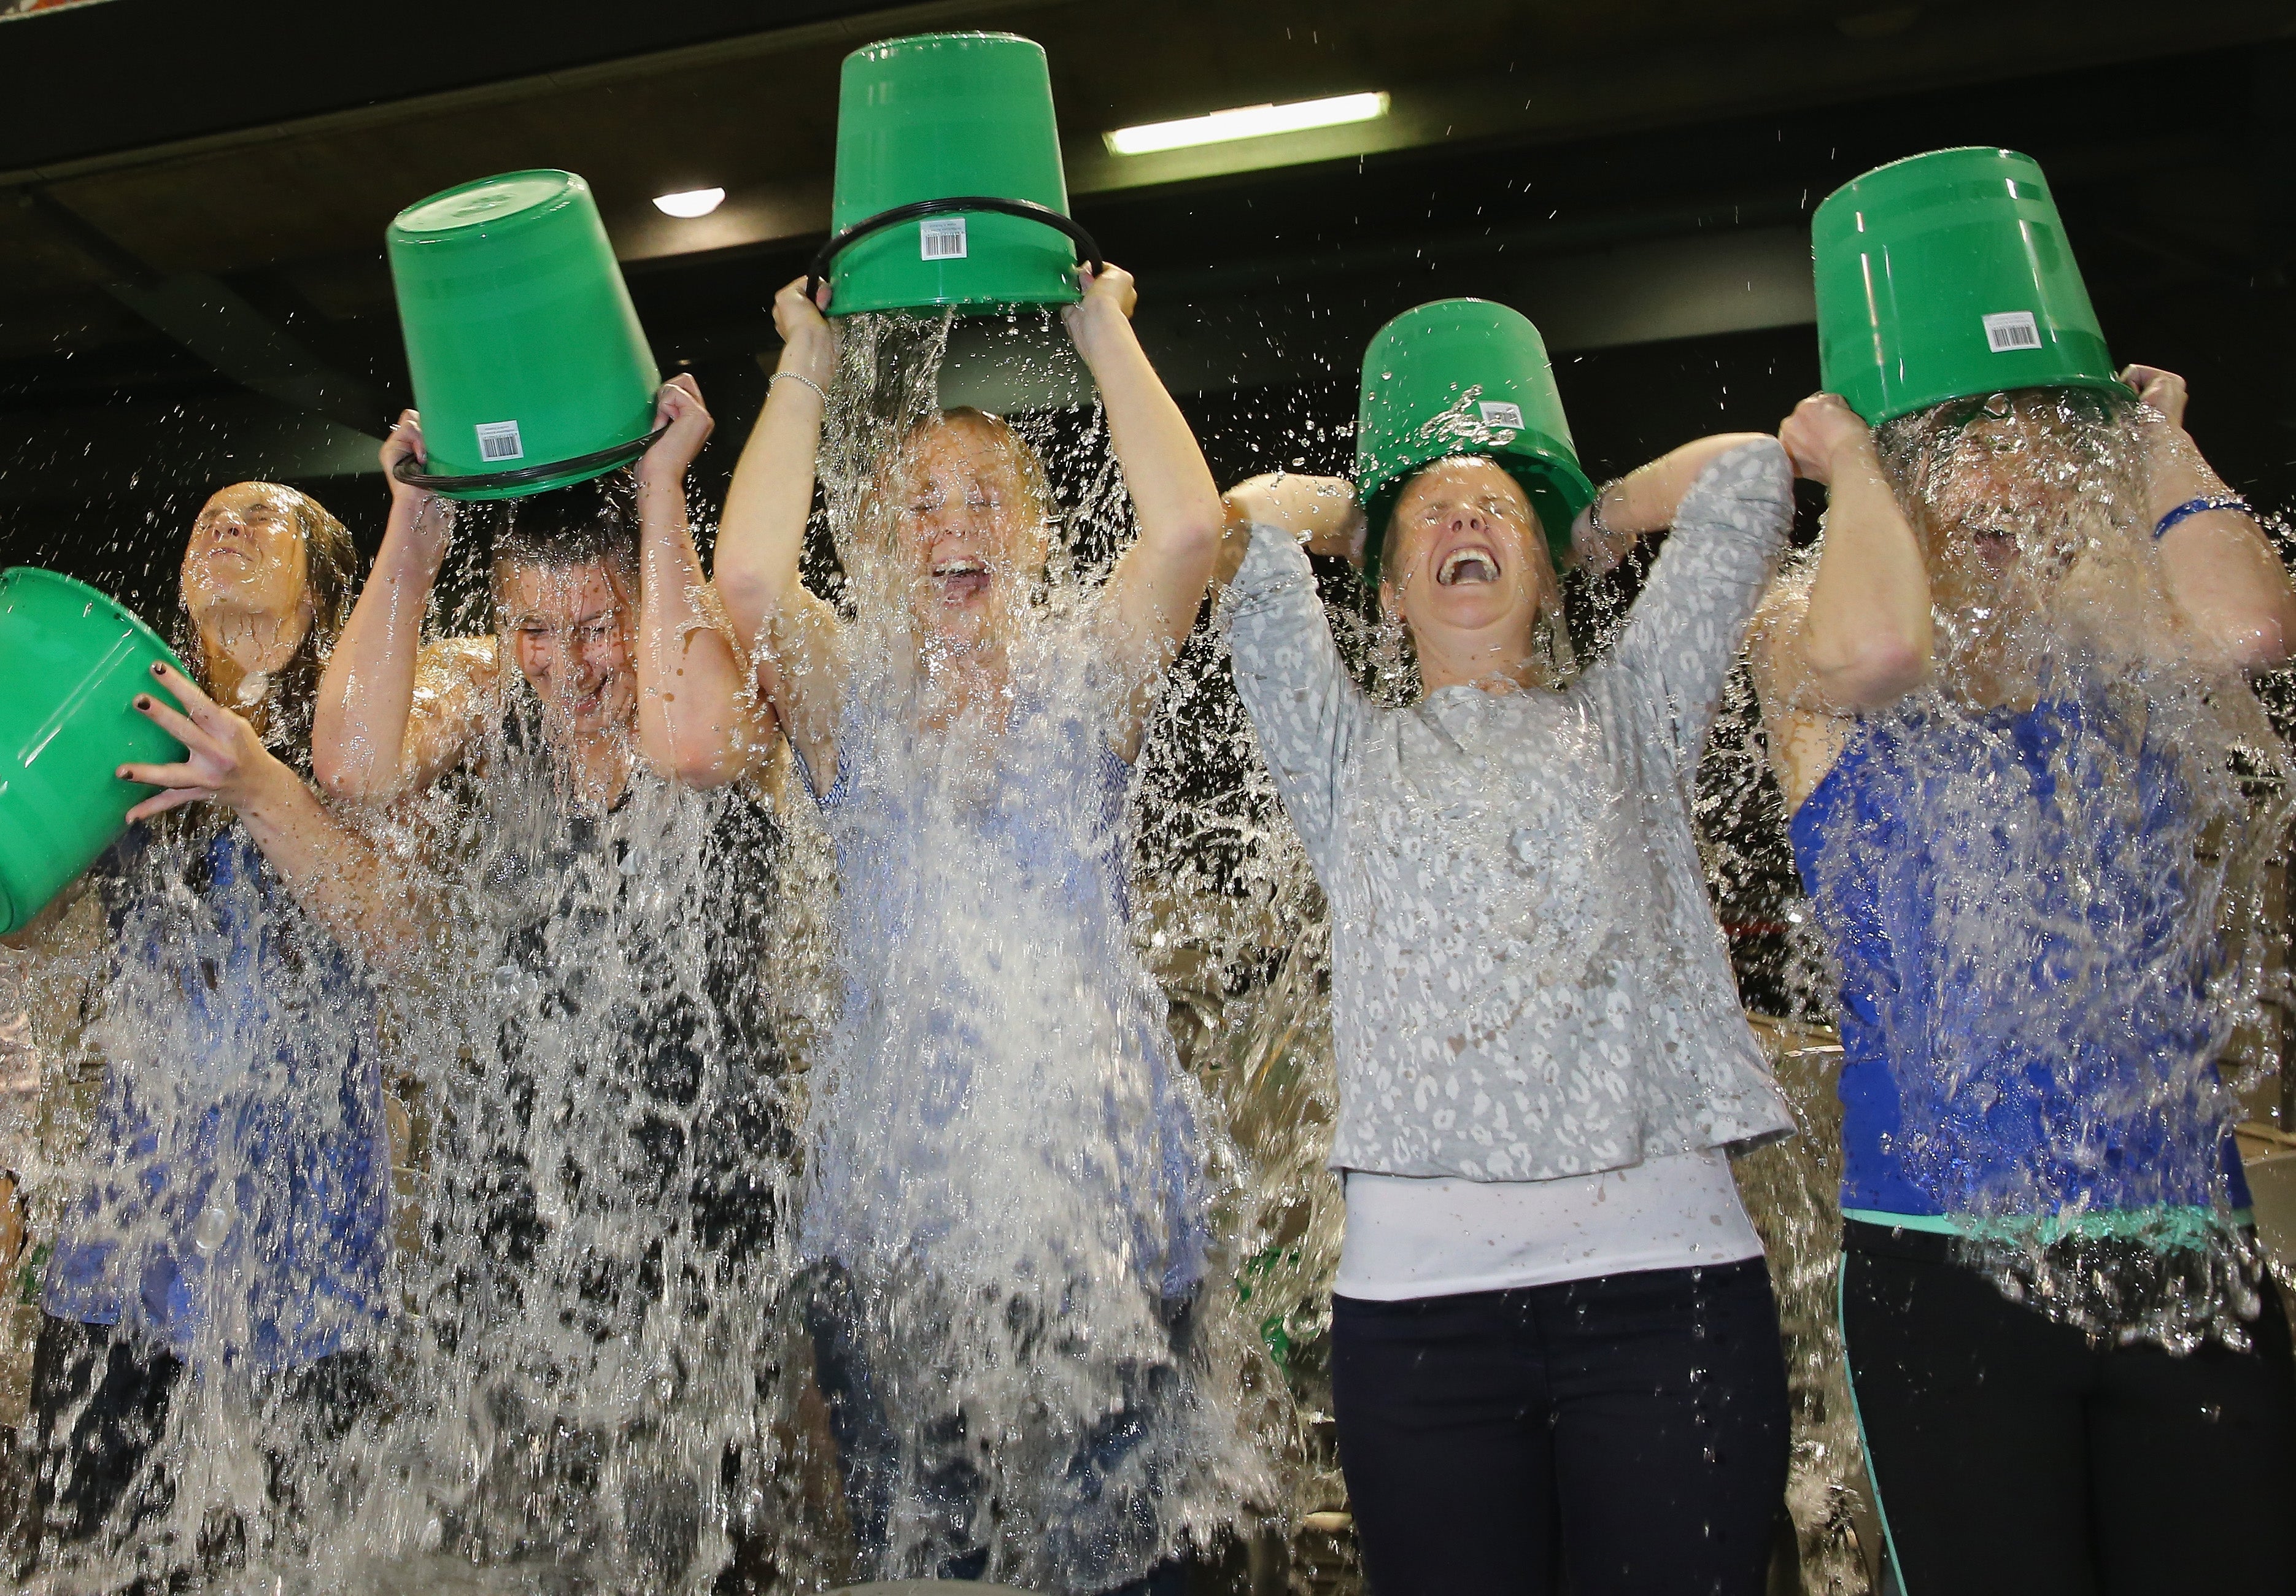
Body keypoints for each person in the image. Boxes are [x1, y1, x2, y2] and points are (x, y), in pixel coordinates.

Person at [636, 268, 1243, 1595]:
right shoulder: (848, 698)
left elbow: (1190, 531)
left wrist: (1100, 328)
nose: (949, 525)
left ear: (1033, 532)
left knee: (1139, 1574)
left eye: (984, 499)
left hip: (1110, 1228)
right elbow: (743, 575)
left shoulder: (1089, 676)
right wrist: (805, 353)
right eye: (916, 502)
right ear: (868, 540)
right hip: (892, 1238)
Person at [1220, 425, 1798, 1595]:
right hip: (1422, 1323)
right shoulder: (1342, 755)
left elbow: (1752, 474)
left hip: (1669, 1296)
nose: (1464, 522)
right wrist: (1358, 518)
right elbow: (1242, 522)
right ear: (1385, 596)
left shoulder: (1632, 717)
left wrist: (1598, 514)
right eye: (1432, 515)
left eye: (1495, 512)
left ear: (1547, 576)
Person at [1750, 368, 2296, 1594]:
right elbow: (1882, 642)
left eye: (2038, 443)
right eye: (1965, 444)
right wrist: (1846, 464)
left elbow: (2250, 629)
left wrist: (2157, 444)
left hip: (2183, 1243)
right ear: (1903, 474)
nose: (2004, 477)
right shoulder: (1800, 621)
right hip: (1946, 1268)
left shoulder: (2113, 636)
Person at [311, 395, 788, 1586]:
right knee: (512, 1542)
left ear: (645, 600)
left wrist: (665, 490)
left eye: (597, 625)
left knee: (699, 1548)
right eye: (535, 628)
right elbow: (352, 768)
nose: (568, 665)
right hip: (513, 1193)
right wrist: (415, 528)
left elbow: (681, 747)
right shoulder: (487, 696)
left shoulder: (714, 677)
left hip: (702, 1195)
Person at [6, 482, 410, 1571]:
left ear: (326, 588)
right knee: (87, 1547)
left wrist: (258, 782)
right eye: (208, 519)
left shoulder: (360, 728)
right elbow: (27, 916)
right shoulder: (117, 727)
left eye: (262, 516)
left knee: (304, 1553)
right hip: (131, 1229)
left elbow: (403, 936)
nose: (222, 527)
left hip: (310, 1230)